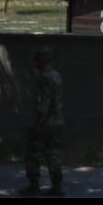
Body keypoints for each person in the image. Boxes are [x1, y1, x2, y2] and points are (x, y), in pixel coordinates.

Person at [21, 46, 64, 196]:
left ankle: (34, 185)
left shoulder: (44, 78)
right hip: (57, 122)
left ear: (41, 60)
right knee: (54, 155)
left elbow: (43, 104)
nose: (35, 63)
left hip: (44, 122)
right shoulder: (56, 76)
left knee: (32, 153)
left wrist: (37, 123)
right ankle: (57, 186)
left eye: (36, 60)